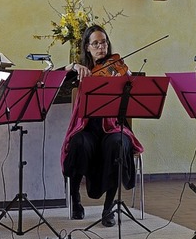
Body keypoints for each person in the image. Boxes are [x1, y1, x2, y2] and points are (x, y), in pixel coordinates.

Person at [60, 24, 143, 227]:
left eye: (104, 42)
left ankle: (109, 208)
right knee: (78, 143)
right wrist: (72, 66)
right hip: (87, 128)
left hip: (113, 126)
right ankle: (75, 200)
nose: (101, 47)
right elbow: (54, 76)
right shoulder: (82, 72)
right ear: (87, 47)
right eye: (95, 43)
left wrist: (126, 79)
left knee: (118, 143)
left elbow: (135, 90)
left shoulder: (118, 68)